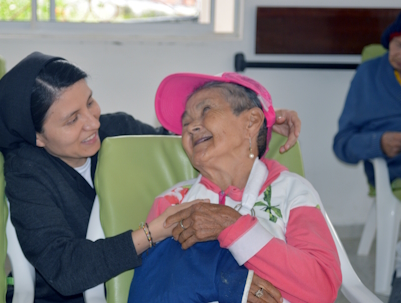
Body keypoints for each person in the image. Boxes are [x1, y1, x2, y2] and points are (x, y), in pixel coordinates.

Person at [0, 51, 301, 303]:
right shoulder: (26, 173)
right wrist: (154, 231)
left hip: (167, 283)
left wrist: (264, 121)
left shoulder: (117, 131)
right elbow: (67, 269)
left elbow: (195, 136)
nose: (92, 123)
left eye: (90, 102)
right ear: (38, 137)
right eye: (72, 120)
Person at [129, 72, 342, 303]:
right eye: (186, 123)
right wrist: (223, 279)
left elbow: (322, 289)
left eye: (206, 110)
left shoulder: (293, 191)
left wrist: (233, 226)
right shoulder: (172, 203)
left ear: (250, 122)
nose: (191, 128)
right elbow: (150, 289)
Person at [333, 4, 401, 303]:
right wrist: (379, 142)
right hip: (392, 160)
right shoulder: (370, 75)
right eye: (398, 45)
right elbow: (342, 143)